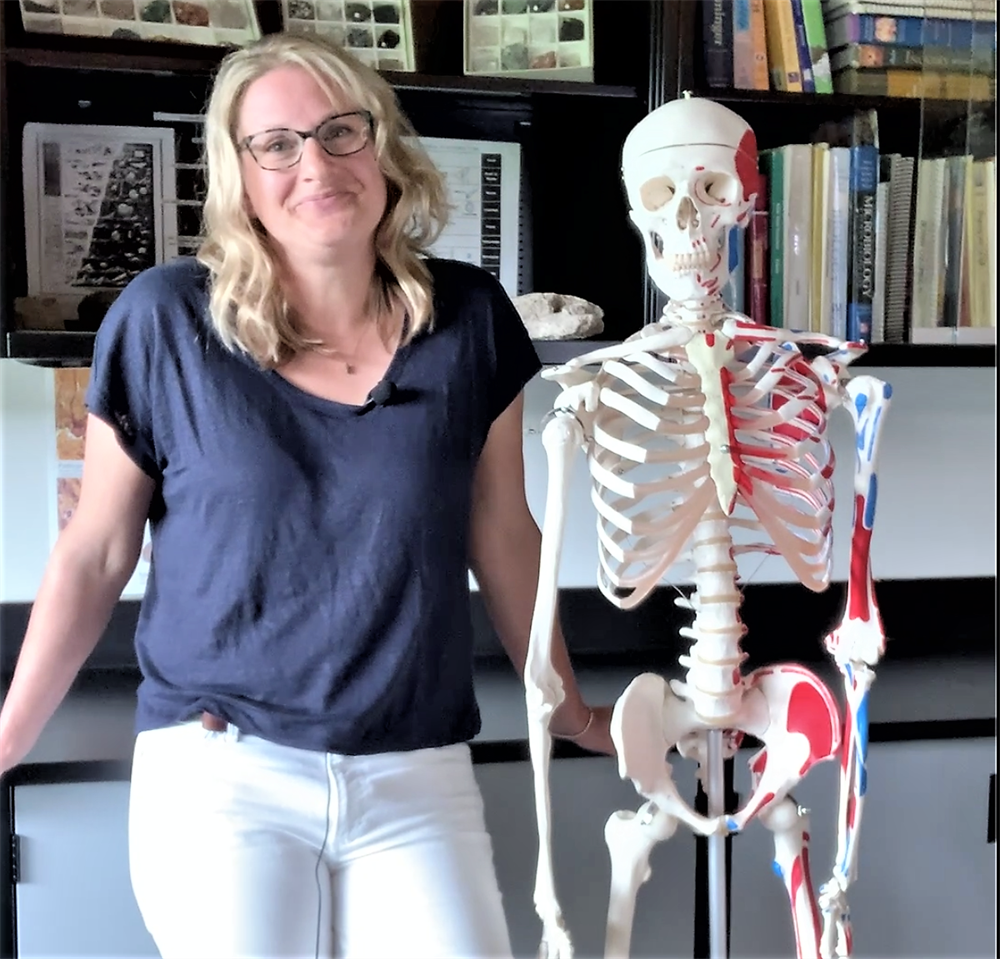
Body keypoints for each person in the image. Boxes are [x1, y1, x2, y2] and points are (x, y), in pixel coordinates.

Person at [0, 31, 614, 959]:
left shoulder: (470, 318)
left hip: (415, 764)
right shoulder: (166, 321)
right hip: (223, 766)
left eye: (340, 131)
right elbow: (96, 551)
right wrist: (6, 738)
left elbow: (503, 529)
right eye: (277, 144)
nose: (315, 164)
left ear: (386, 147)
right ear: (240, 175)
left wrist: (566, 708)